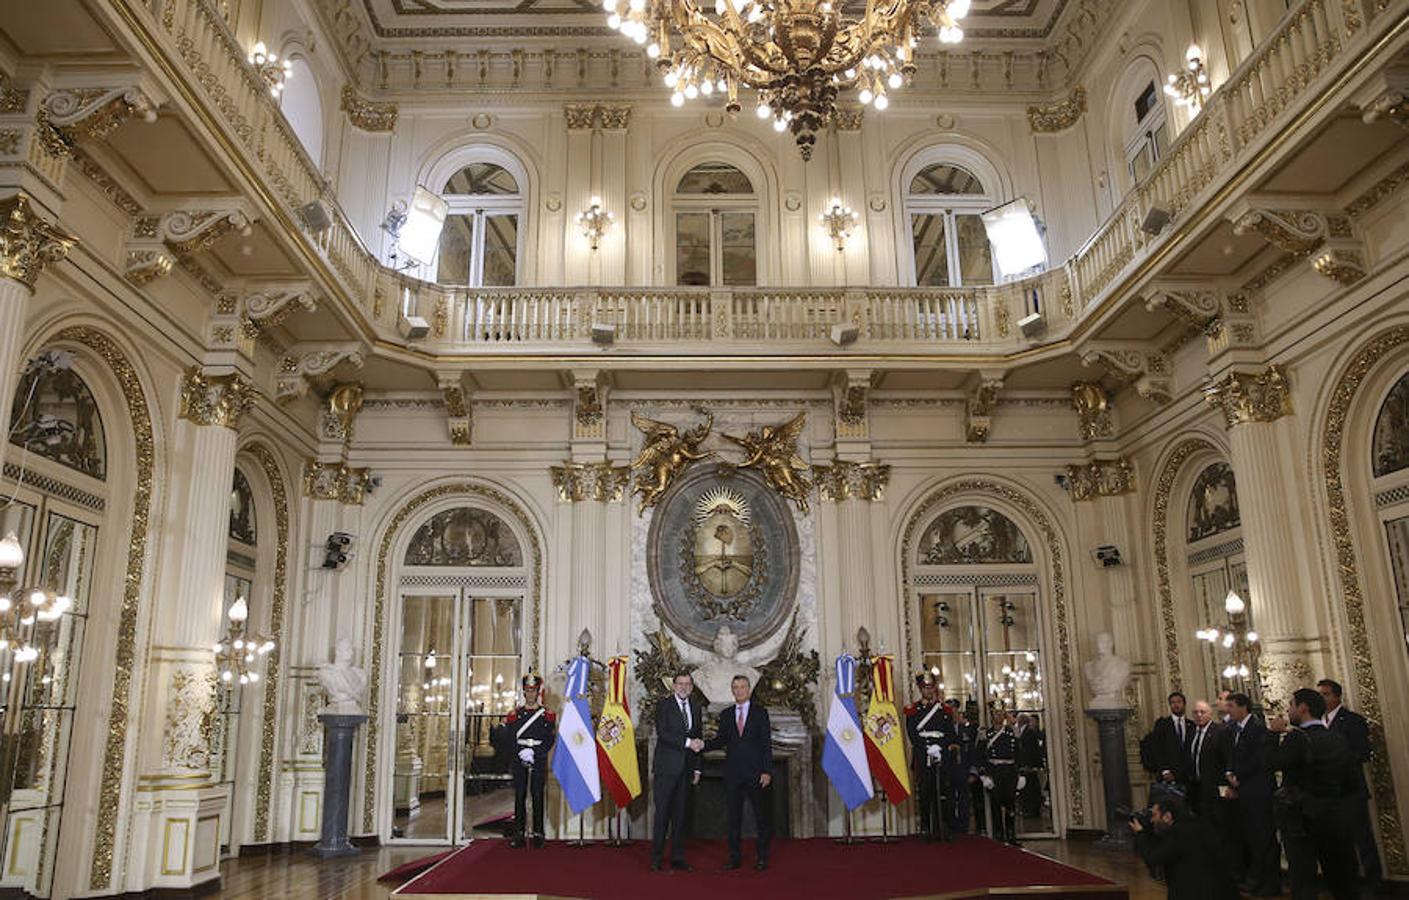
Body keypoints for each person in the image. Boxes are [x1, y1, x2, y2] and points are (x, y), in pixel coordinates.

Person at [1270, 687, 1359, 900]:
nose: (1288, 710)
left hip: (1303, 820)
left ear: (1303, 708)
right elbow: (1350, 782)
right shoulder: (1336, 738)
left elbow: (1271, 763)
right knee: (1341, 879)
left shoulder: (1297, 739)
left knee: (1303, 880)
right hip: (1334, 816)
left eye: (1291, 705)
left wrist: (1273, 734)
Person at [702, 674, 774, 870]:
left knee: (761, 817)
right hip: (733, 774)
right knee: (733, 818)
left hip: (756, 773)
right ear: (732, 691)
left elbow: (766, 744)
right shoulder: (726, 715)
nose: (739, 690)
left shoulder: (760, 713)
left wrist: (767, 771)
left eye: (743, 687)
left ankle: (762, 857)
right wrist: (701, 745)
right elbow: (720, 740)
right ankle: (734, 857)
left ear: (748, 689)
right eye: (736, 687)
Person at [1318, 678, 1382, 892]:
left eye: (1325, 694)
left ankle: (1374, 884)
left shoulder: (1352, 721)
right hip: (1328, 793)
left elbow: (1362, 753)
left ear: (1337, 696)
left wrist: (1334, 762)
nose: (1322, 698)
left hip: (1350, 790)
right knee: (1339, 842)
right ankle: (1348, 882)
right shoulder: (1319, 723)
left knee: (1362, 838)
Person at [1130, 794, 1239, 900]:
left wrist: (1140, 833)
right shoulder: (1196, 826)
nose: (1152, 820)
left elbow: (1153, 858)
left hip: (1197, 892)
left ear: (1167, 816)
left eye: (1154, 815)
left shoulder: (1178, 834)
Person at [1224, 692, 1279, 896]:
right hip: (1245, 791)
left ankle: (1269, 883)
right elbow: (1233, 755)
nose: (1227, 710)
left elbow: (1258, 760)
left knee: (1264, 837)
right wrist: (1230, 773)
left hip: (1259, 792)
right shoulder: (1233, 729)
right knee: (1253, 838)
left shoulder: (1257, 729)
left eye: (1231, 706)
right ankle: (1256, 879)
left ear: (1243, 707)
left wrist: (1238, 776)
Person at [651, 671, 704, 872]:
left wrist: (698, 768)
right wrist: (689, 743)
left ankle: (678, 857)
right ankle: (656, 858)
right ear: (674, 686)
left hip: (687, 770)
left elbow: (698, 736)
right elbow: (663, 733)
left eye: (687, 684)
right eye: (680, 684)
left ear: (691, 687)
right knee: (662, 814)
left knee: (681, 816)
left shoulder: (696, 708)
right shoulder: (664, 706)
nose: (683, 687)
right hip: (666, 769)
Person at [496, 673, 555, 848]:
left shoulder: (547, 715)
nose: (531, 694)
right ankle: (519, 833)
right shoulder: (515, 715)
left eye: (534, 691)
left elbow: (549, 739)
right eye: (528, 691)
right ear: (524, 692)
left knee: (537, 795)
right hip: (519, 758)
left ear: (538, 692)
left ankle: (538, 833)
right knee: (520, 795)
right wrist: (521, 752)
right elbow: (509, 739)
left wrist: (535, 752)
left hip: (538, 758)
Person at [905, 672, 956, 841]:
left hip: (941, 753)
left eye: (931, 686)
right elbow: (912, 733)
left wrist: (939, 747)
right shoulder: (913, 710)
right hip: (923, 753)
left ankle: (944, 826)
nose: (929, 690)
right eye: (926, 687)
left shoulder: (945, 710)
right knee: (925, 792)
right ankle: (926, 827)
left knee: (943, 791)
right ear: (920, 689)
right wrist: (926, 748)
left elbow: (949, 733)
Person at [1141, 692, 1194, 798]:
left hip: (1188, 776)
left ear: (1184, 704)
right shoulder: (1162, 724)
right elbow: (1157, 749)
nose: (1176, 705)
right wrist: (1164, 770)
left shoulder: (1191, 725)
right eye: (1173, 702)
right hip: (1168, 774)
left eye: (1179, 702)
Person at [1181, 699, 1227, 817]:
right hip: (1194, 788)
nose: (1199, 715)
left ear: (1210, 713)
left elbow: (1226, 760)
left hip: (1213, 788)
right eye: (1196, 712)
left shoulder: (1220, 732)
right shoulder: (1191, 732)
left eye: (1202, 712)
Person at [981, 710, 1020, 845]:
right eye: (995, 714)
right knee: (996, 803)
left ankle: (1011, 834)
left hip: (1010, 771)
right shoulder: (986, 734)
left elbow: (1018, 753)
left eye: (1001, 713)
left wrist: (1020, 773)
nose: (998, 716)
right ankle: (998, 834)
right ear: (991, 716)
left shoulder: (1012, 732)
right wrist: (983, 775)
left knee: (1010, 803)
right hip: (994, 771)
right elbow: (981, 755)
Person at [945, 699, 976, 835]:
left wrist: (973, 772)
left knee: (964, 799)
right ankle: (951, 826)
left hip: (963, 768)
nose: (953, 712)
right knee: (950, 799)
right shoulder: (944, 729)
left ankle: (964, 826)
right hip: (949, 770)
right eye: (950, 710)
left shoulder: (967, 729)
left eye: (954, 710)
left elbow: (973, 752)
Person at [1015, 713, 1045, 818]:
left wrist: (1027, 764)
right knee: (1027, 789)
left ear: (1021, 721)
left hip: (1029, 766)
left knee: (1030, 788)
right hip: (1026, 765)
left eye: (1017, 720)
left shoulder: (1028, 732)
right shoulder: (1024, 732)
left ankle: (1032, 810)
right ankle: (1028, 809)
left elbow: (1029, 750)